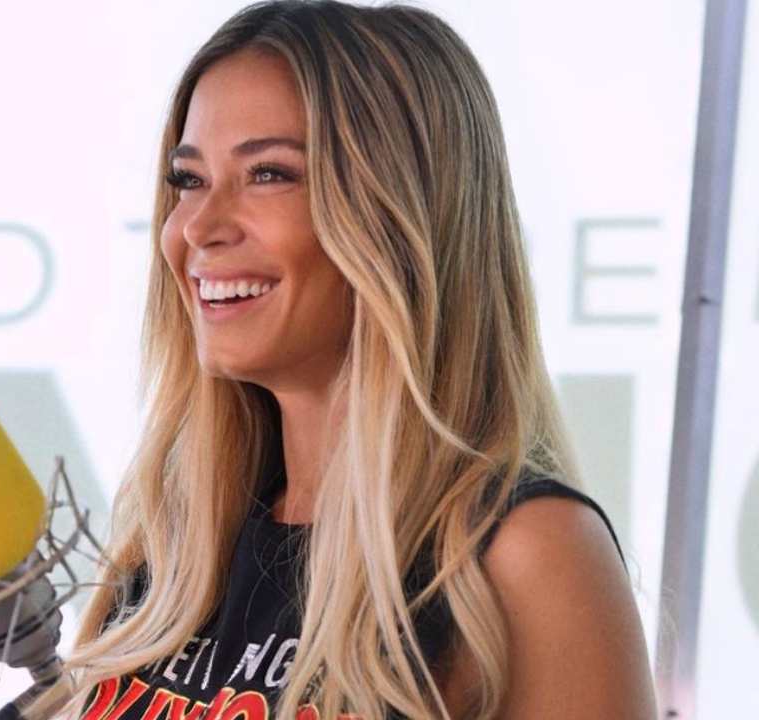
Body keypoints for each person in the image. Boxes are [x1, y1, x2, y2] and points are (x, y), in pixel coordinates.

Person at [52, 1, 658, 717]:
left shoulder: (526, 554)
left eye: (269, 174)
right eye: (189, 180)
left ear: (405, 212)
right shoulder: (176, 545)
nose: (198, 227)